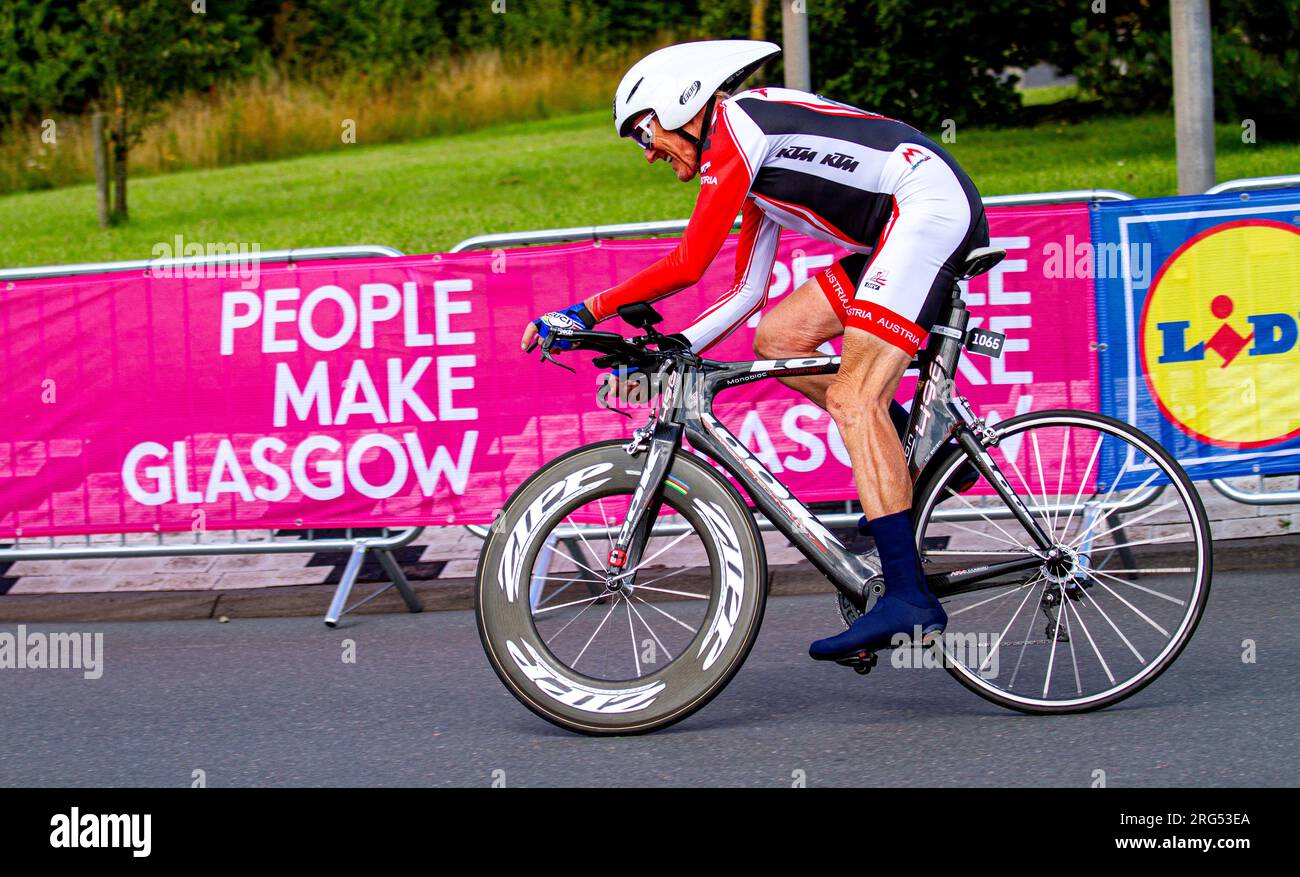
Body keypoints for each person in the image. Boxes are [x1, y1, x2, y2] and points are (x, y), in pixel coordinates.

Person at [519, 40, 989, 663]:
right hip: (901, 223)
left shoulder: (738, 127)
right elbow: (744, 293)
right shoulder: (751, 161)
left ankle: (908, 599)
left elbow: (689, 263)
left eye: (643, 133)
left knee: (854, 398)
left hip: (927, 210)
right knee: (779, 338)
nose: (648, 153)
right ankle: (923, 457)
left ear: (679, 101)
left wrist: (585, 311)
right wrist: (674, 349)